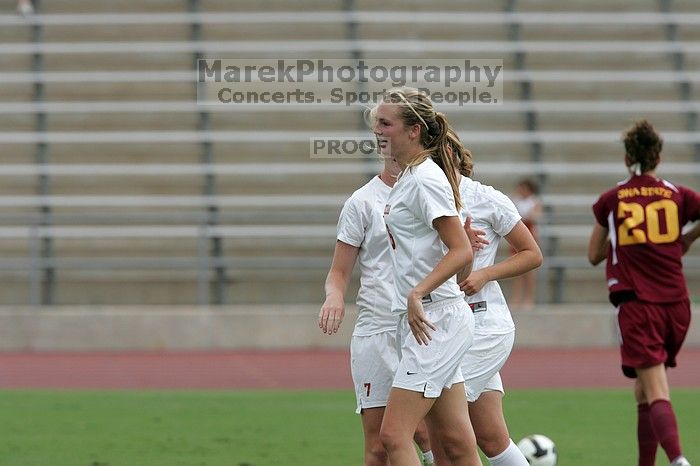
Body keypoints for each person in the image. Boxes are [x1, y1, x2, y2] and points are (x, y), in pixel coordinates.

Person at [373, 87, 480, 466]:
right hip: (429, 319)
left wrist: (417, 292)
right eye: (376, 123)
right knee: (454, 442)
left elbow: (461, 249)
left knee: (394, 435)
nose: (378, 131)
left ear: (414, 129)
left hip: (436, 319)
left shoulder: (423, 179)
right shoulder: (409, 177)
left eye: (386, 124)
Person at [588, 120, 699, 466]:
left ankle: (678, 459)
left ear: (626, 158)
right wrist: (686, 239)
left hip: (639, 305)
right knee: (643, 391)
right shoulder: (678, 194)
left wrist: (619, 234)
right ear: (658, 159)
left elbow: (593, 256)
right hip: (678, 306)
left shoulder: (612, 199)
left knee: (655, 391)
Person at [429, 130, 543, 466]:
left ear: (449, 152)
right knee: (491, 437)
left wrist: (484, 273)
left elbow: (531, 253)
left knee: (438, 420)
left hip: (482, 325)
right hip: (443, 326)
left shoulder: (485, 198)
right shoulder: (421, 197)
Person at [318, 151, 435, 465]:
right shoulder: (362, 201)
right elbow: (338, 272)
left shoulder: (432, 191)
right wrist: (334, 296)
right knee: (378, 445)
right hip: (377, 328)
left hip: (423, 327)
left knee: (429, 434)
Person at [509, 178, 543, 310]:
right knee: (515, 269)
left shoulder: (534, 201)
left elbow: (534, 216)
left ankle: (529, 299)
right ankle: (516, 298)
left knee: (529, 272)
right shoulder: (515, 200)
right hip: (515, 236)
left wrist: (524, 216)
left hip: (530, 234)